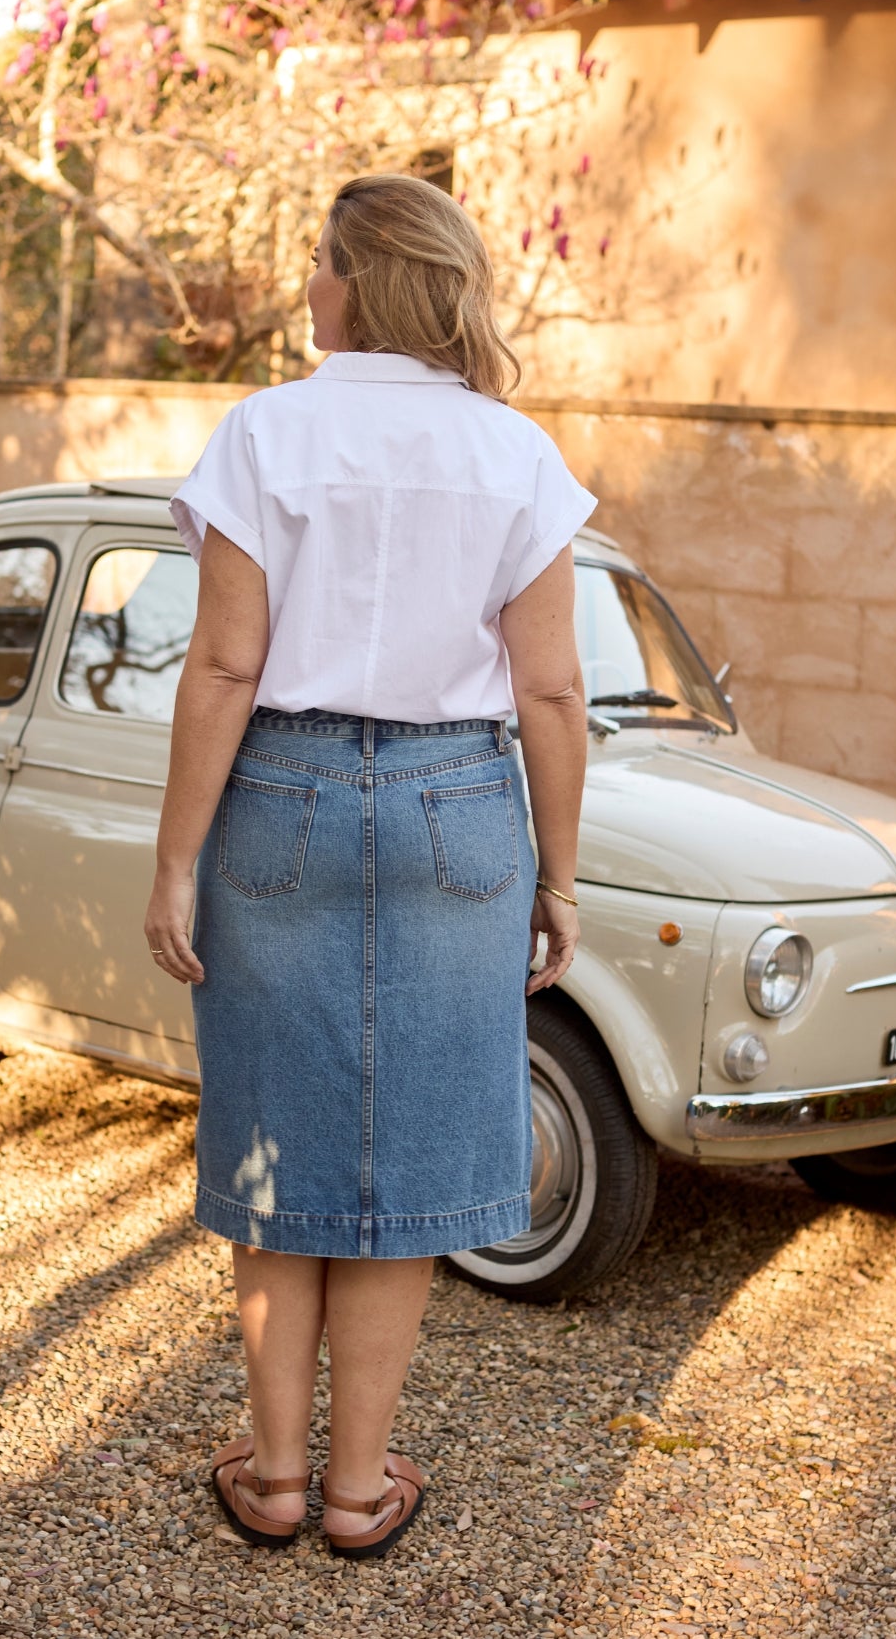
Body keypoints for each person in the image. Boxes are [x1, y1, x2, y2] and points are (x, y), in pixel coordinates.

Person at [144, 172, 593, 1560]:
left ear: (358, 279)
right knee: (398, 1173)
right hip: (460, 801)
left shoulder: (265, 435)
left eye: (317, 265)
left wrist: (176, 860)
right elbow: (556, 695)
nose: (306, 288)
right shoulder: (516, 453)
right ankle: (353, 1492)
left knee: (279, 1131)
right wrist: (559, 878)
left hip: (279, 792)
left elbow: (224, 663)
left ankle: (270, 1476)